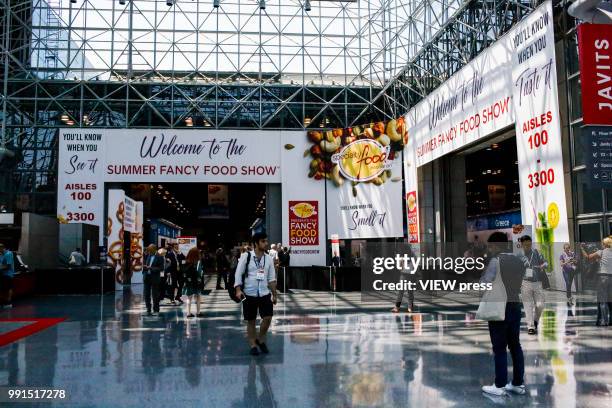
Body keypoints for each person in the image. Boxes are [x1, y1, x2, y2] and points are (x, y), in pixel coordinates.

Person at [480, 232, 526, 397]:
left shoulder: (495, 261)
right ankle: (518, 383)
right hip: (515, 306)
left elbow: (485, 283)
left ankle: (499, 385)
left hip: (499, 307)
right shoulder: (519, 260)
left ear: (496, 245)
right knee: (515, 345)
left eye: (490, 246)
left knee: (499, 347)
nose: (489, 249)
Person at [234, 232, 278, 356]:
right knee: (251, 321)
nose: (266, 243)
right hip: (249, 293)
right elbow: (238, 273)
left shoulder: (268, 258)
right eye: (263, 241)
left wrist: (274, 294)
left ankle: (259, 338)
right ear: (256, 243)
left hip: (264, 293)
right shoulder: (246, 256)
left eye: (266, 241)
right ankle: (253, 345)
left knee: (268, 318)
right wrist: (238, 289)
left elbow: (271, 278)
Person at [519, 235, 548, 335]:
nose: (528, 246)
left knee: (540, 305)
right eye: (526, 245)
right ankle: (530, 326)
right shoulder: (518, 255)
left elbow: (546, 263)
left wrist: (542, 266)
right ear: (521, 245)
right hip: (525, 283)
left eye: (529, 244)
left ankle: (535, 320)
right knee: (528, 306)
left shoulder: (536, 252)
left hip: (537, 282)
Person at [581, 237, 612, 326]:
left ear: (605, 244)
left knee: (602, 301)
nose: (601, 244)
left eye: (602, 243)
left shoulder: (601, 252)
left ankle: (605, 321)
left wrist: (582, 249)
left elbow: (587, 258)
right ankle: (610, 321)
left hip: (603, 277)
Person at [391, 246, 417, 313]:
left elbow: (399, 268)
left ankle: (397, 308)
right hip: (411, 275)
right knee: (410, 292)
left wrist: (401, 261)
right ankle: (410, 308)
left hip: (403, 275)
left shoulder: (402, 257)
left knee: (400, 292)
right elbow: (415, 267)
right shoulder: (413, 256)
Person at [182, 247, 204, 318]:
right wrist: (199, 278)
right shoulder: (198, 261)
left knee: (189, 297)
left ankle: (188, 313)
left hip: (188, 281)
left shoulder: (187, 260)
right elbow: (199, 271)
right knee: (197, 296)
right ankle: (198, 312)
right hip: (196, 281)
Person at [142, 244, 164, 316]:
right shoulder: (148, 255)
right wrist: (144, 268)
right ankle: (148, 309)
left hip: (154, 278)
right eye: (148, 250)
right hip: (147, 277)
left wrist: (150, 268)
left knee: (155, 295)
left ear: (154, 249)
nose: (148, 251)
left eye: (150, 250)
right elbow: (146, 264)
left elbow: (161, 268)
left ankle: (156, 310)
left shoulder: (160, 257)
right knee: (146, 294)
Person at [0, 244, 15, 309]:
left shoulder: (8, 254)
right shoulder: (2, 254)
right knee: (4, 289)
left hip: (8, 274)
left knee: (8, 288)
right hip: (3, 274)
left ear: (2, 248)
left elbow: (7, 266)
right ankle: (4, 302)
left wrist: (0, 268)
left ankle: (8, 303)